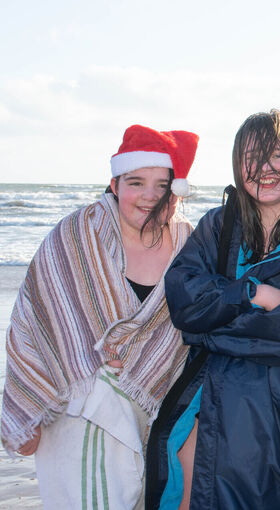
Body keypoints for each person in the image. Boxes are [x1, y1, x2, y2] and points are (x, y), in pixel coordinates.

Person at [146, 110, 280, 509]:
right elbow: (184, 303)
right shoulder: (219, 226)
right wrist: (252, 294)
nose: (264, 169)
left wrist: (210, 330)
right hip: (212, 398)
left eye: (277, 155)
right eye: (251, 157)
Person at [0, 124, 198, 509]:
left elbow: (195, 326)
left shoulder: (188, 243)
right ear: (115, 183)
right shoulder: (77, 234)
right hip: (80, 406)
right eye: (136, 182)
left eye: (162, 185)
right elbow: (32, 318)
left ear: (176, 192)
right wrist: (30, 403)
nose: (149, 197)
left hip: (155, 406)